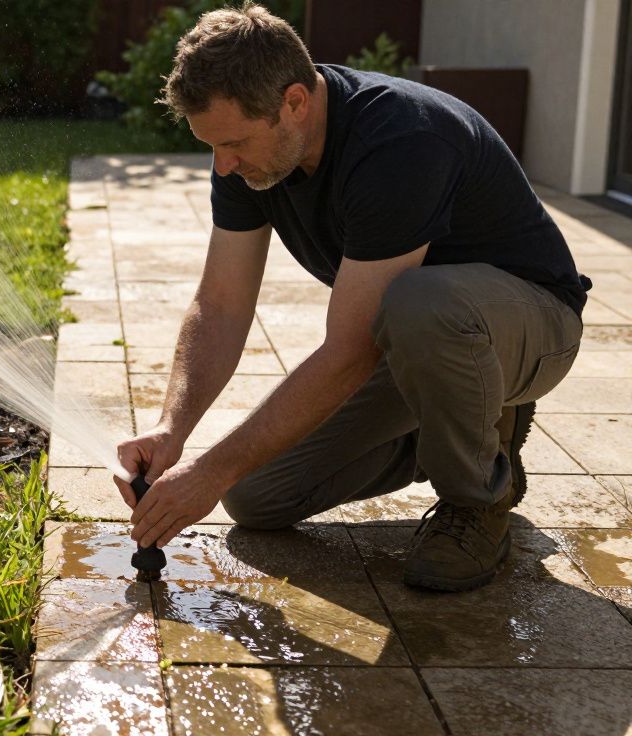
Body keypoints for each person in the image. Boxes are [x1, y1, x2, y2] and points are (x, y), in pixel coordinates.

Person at [113, 2, 591, 592]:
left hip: (527, 329)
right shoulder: (248, 159)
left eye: (234, 143)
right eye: (213, 146)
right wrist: (172, 431)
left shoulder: (400, 139)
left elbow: (349, 350)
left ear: (294, 102)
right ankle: (468, 425)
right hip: (419, 346)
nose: (223, 164)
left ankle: (476, 501)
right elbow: (221, 305)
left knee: (420, 302)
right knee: (254, 494)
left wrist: (208, 468)